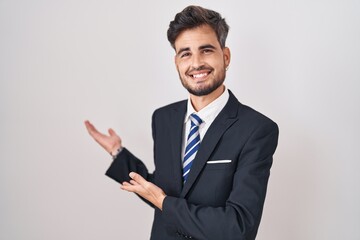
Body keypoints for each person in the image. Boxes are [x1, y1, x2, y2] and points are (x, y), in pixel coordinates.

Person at [85, 5, 279, 240]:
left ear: (225, 56)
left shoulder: (257, 129)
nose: (196, 63)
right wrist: (117, 152)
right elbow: (167, 191)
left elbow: (238, 227)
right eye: (185, 53)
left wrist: (163, 202)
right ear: (176, 62)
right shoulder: (164, 118)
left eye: (206, 50)